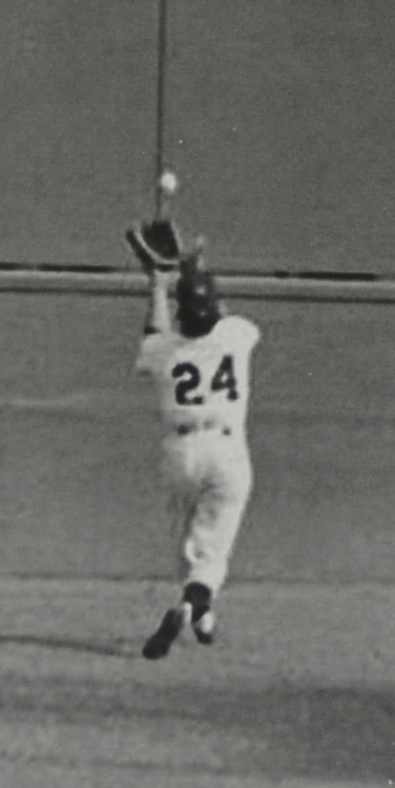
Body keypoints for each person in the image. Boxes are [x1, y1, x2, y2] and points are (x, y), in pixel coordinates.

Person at [136, 247, 261, 659]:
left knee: (189, 547)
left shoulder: (164, 350)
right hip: (226, 450)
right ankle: (192, 604)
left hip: (180, 452)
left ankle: (202, 614)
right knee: (212, 548)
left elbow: (155, 330)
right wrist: (193, 268)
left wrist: (158, 284)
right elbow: (221, 312)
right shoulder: (236, 334)